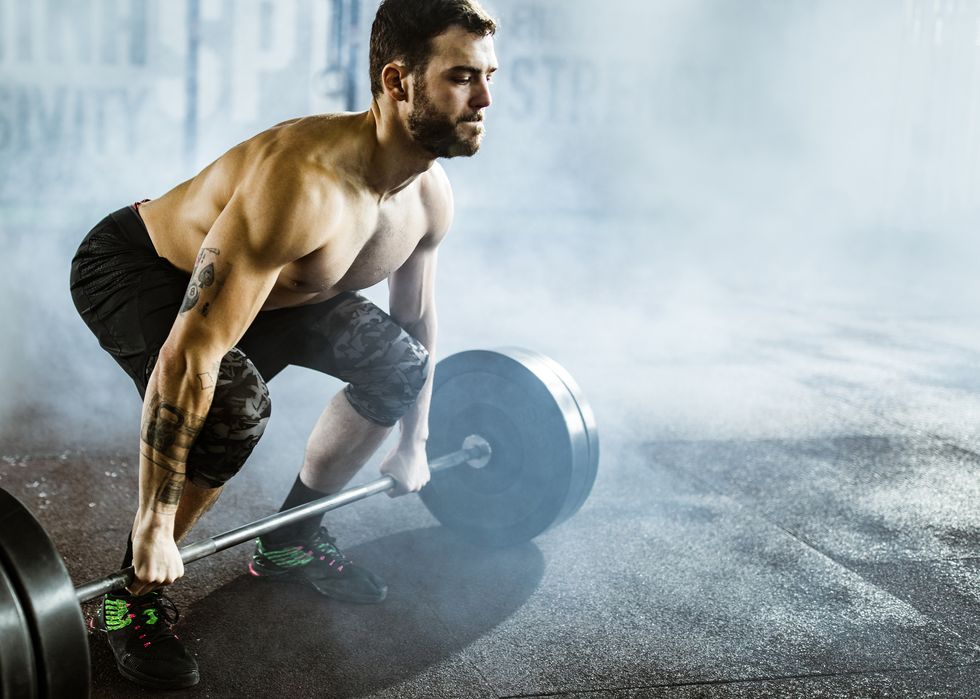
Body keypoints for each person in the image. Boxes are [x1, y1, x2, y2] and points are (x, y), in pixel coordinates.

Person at [68, 0, 497, 689]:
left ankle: (289, 540)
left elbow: (415, 322)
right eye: (461, 77)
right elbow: (192, 353)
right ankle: (128, 600)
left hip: (277, 293)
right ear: (397, 82)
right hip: (142, 268)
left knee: (397, 366)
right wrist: (152, 522)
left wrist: (413, 439)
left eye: (488, 76)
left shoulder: (427, 195)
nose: (484, 99)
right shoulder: (302, 184)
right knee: (235, 402)